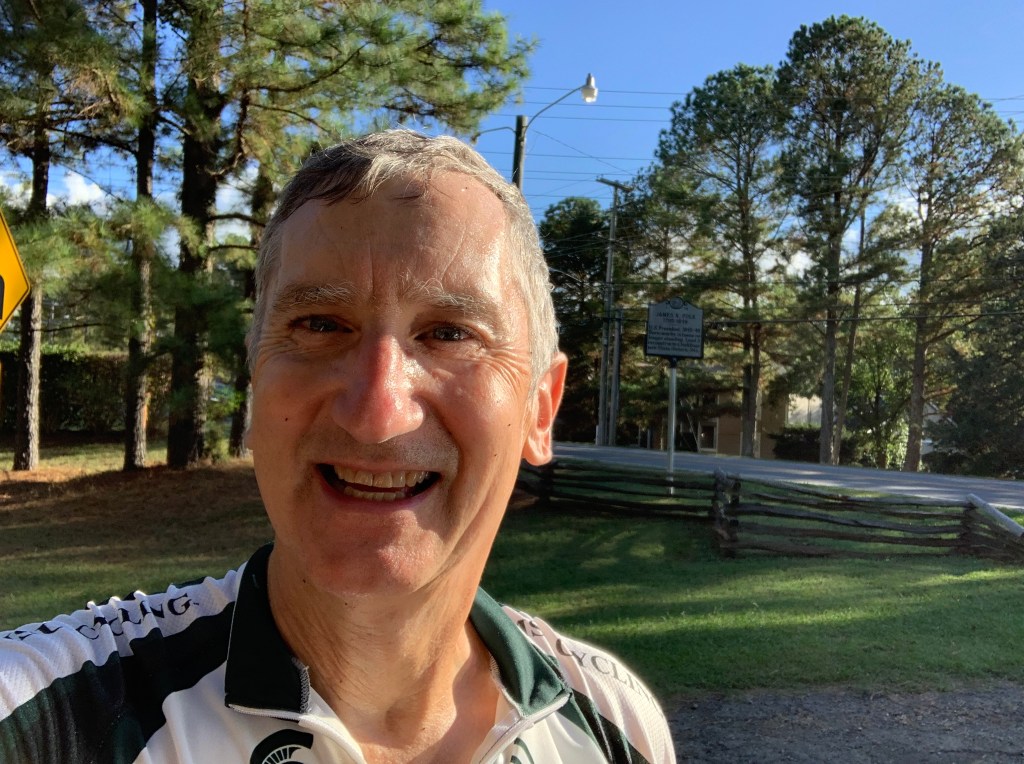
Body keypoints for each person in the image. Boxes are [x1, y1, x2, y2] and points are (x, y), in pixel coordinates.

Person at [0, 130, 676, 763]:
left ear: (540, 408)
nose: (377, 415)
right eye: (320, 324)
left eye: (449, 334)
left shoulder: (617, 725)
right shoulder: (38, 719)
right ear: (256, 381)